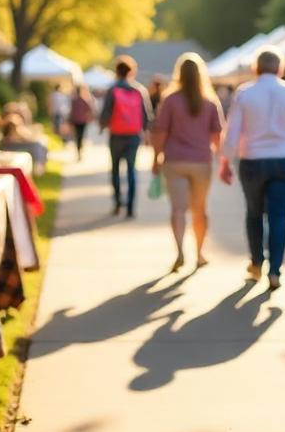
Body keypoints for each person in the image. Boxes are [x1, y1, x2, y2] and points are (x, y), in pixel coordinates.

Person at [219, 47, 285, 291]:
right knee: (279, 216)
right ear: (281, 69)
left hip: (253, 160)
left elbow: (232, 131)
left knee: (254, 213)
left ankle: (256, 262)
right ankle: (275, 269)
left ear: (256, 68)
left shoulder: (245, 93)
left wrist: (225, 161)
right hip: (284, 160)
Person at [152, 53, 225, 274]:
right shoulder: (210, 101)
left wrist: (156, 158)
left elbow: (160, 132)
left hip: (174, 160)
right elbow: (217, 136)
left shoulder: (170, 100)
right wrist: (218, 157)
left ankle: (180, 251)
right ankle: (200, 253)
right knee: (200, 210)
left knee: (178, 209)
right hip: (201, 161)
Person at [99, 56, 153, 218]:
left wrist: (102, 126)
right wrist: (146, 134)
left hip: (116, 134)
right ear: (131, 71)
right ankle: (130, 206)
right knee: (131, 170)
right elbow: (147, 116)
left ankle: (117, 203)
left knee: (115, 170)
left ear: (117, 71)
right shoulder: (139, 90)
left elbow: (106, 112)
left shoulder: (112, 89)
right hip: (133, 136)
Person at [68, 85, 94, 161]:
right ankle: (79, 150)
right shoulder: (84, 100)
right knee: (81, 136)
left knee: (78, 136)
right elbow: (89, 110)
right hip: (81, 121)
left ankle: (79, 150)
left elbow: (71, 111)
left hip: (77, 120)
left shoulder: (74, 100)